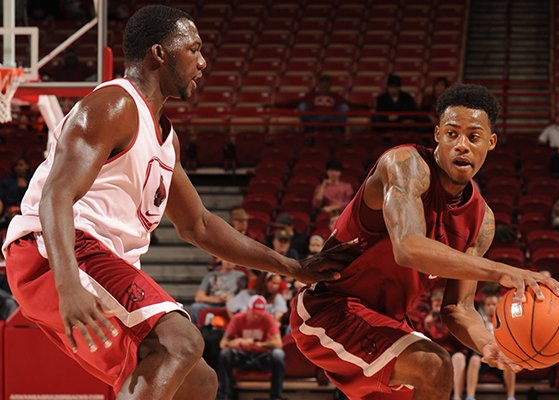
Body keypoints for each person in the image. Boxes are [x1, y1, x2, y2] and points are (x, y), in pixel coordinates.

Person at [0, 6, 351, 399]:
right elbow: (56, 196)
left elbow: (199, 224)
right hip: (57, 251)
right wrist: (67, 284)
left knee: (198, 384)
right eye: (194, 49)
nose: (202, 63)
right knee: (181, 341)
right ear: (159, 53)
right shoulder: (114, 106)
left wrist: (293, 267)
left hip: (96, 258)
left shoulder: (167, 140)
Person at [289, 84, 559, 400]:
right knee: (434, 365)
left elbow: (457, 308)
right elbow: (409, 247)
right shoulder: (404, 164)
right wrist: (501, 271)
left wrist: (488, 343)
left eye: (473, 137)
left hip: (387, 324)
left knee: (429, 371)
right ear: (437, 134)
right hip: (330, 308)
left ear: (490, 143)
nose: (461, 145)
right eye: (452, 134)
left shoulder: (482, 220)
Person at [217, 295, 285, 400]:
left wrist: (259, 344)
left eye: (259, 314)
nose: (257, 317)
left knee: (278, 355)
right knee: (225, 354)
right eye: (254, 313)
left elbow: (278, 344)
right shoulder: (238, 318)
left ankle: (276, 397)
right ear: (248, 309)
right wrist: (239, 342)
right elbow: (223, 343)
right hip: (242, 356)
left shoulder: (267, 318)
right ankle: (225, 396)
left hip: (261, 356)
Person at [465, 289, 516, 400]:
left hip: (499, 358)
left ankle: (511, 397)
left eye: (494, 304)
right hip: (483, 359)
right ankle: (470, 397)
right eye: (488, 304)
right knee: (473, 360)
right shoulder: (479, 321)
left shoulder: (506, 321)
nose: (491, 307)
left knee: (509, 360)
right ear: (484, 306)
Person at [423, 289, 468, 400]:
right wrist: (426, 328)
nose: (438, 309)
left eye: (440, 305)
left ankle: (457, 397)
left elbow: (459, 343)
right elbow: (421, 342)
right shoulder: (426, 320)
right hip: (434, 352)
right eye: (436, 305)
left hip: (452, 351)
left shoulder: (451, 317)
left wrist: (449, 325)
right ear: (432, 305)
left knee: (459, 357)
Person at [188, 257, 247, 325]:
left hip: (232, 303)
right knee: (195, 307)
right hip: (212, 304)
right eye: (226, 258)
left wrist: (230, 299)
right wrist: (218, 299)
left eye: (232, 259)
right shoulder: (211, 275)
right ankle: (199, 330)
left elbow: (244, 294)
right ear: (220, 259)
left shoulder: (241, 275)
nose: (229, 262)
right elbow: (198, 297)